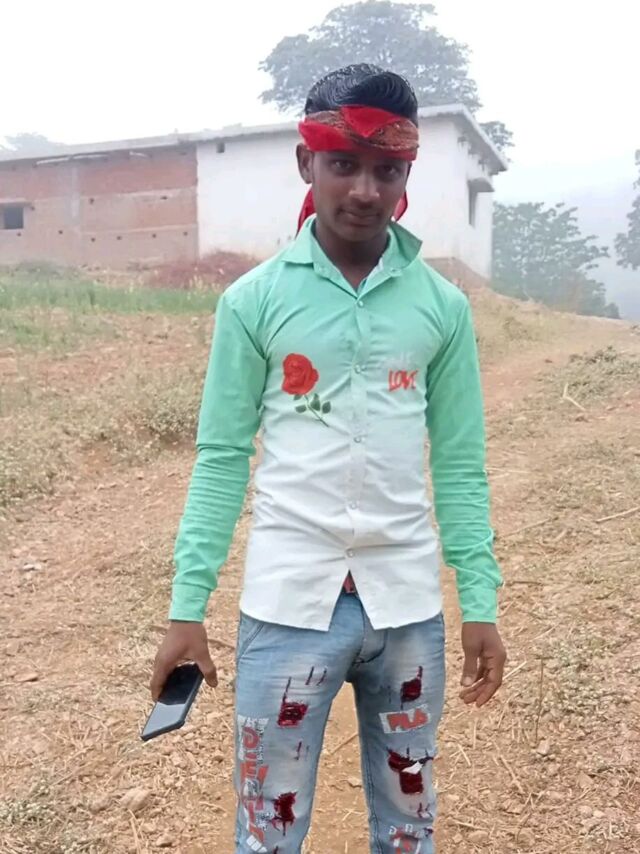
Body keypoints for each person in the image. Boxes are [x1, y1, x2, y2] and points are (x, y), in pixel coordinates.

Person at [151, 63, 507, 854]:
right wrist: (186, 608)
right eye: (344, 164)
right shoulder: (253, 302)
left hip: (407, 608)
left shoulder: (442, 308)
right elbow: (220, 458)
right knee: (269, 833)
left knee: (409, 827)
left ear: (407, 173)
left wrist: (479, 603)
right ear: (305, 161)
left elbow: (460, 464)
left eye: (388, 170)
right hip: (287, 605)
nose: (366, 191)